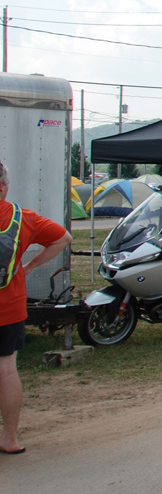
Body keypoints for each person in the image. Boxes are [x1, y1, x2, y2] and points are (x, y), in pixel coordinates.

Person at [0, 160, 73, 455]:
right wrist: (28, 266)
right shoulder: (21, 217)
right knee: (6, 369)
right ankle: (10, 439)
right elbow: (63, 238)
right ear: (3, 186)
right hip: (9, 306)